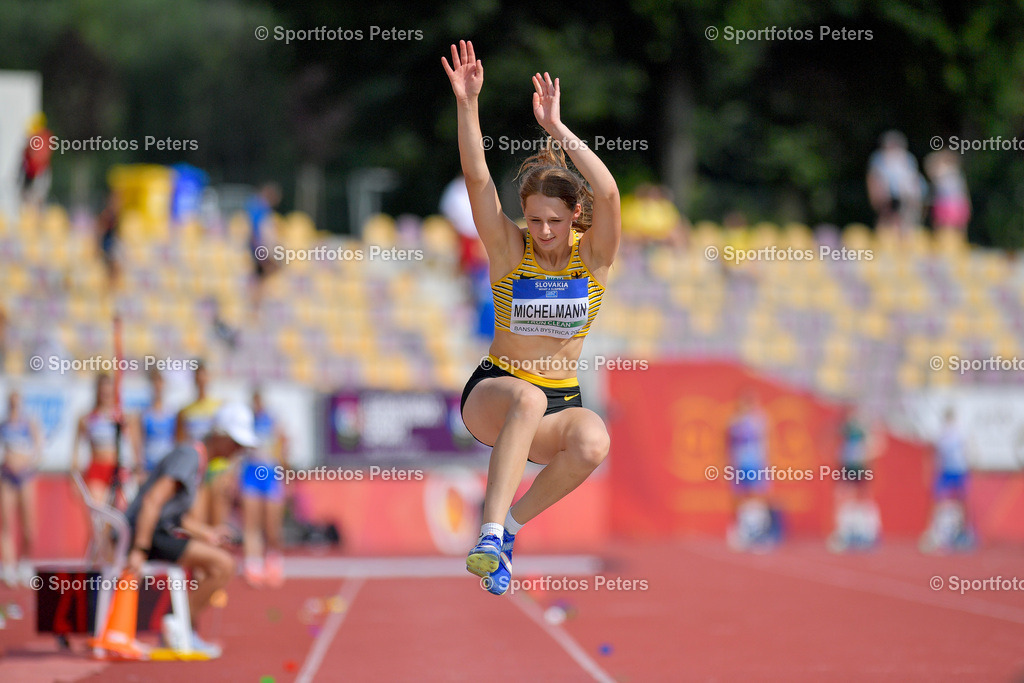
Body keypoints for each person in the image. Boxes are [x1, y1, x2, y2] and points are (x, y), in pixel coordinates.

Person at [442, 41, 619, 595]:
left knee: (593, 441)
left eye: (554, 221)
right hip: (495, 393)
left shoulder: (592, 258)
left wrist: (559, 129)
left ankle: (512, 530)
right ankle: (489, 533)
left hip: (558, 400)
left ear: (574, 217)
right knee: (527, 396)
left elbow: (610, 192)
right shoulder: (507, 250)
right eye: (534, 219)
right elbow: (477, 181)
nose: (542, 232)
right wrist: (468, 104)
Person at [126, 402, 258, 659]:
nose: (239, 451)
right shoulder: (190, 456)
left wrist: (207, 533)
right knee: (224, 565)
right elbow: (153, 501)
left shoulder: (198, 459)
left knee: (216, 563)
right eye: (236, 443)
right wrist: (139, 549)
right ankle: (178, 626)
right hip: (147, 533)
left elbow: (174, 513)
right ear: (219, 436)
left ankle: (179, 625)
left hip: (156, 531)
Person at [239, 390, 288, 587]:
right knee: (251, 522)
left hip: (269, 473)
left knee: (271, 523)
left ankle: (274, 558)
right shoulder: (247, 422)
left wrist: (285, 472)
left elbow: (283, 443)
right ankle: (253, 563)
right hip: (251, 473)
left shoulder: (272, 420)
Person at [72, 374, 139, 508]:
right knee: (98, 513)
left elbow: (135, 445)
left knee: (119, 512)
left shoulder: (123, 417)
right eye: (102, 389)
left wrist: (136, 469)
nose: (105, 393)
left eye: (108, 389)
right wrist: (74, 478)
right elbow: (76, 449)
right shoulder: (87, 418)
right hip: (97, 469)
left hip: (117, 469)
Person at [0, 391, 44, 587]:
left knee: (29, 526)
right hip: (6, 477)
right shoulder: (4, 425)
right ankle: (8, 566)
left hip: (25, 477)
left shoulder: (29, 423)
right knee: (6, 523)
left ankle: (25, 562)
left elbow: (38, 448)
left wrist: (28, 462)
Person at [827, 406, 881, 552]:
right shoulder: (847, 427)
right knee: (844, 497)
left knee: (862, 498)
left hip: (858, 466)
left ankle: (866, 532)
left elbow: (876, 446)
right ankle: (844, 533)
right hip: (848, 466)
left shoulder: (862, 429)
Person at [725, 391, 774, 551]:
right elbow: (728, 445)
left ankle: (758, 531)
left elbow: (766, 443)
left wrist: (767, 464)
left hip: (756, 462)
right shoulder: (734, 421)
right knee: (740, 497)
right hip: (740, 463)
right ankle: (743, 530)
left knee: (757, 496)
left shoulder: (760, 420)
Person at [920, 407, 974, 553]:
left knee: (960, 501)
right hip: (948, 471)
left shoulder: (957, 433)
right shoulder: (943, 434)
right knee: (940, 500)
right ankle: (935, 531)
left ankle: (963, 532)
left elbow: (968, 450)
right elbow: (936, 453)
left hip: (957, 470)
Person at [866, 130, 926, 235]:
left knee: (907, 221)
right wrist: (876, 195)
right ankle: (885, 240)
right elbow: (873, 178)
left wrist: (918, 196)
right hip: (887, 195)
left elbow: (913, 178)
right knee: (887, 218)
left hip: (906, 196)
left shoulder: (908, 158)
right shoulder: (879, 158)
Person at [136, 368, 178, 476]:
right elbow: (139, 442)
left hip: (167, 466)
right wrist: (140, 467)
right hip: (149, 467)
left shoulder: (172, 413)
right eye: (154, 381)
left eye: (160, 381)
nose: (157, 386)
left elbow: (176, 440)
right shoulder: (144, 414)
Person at [924, 150, 971, 236]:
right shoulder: (948, 171)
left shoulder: (953, 172)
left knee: (952, 225)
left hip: (952, 201)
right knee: (947, 225)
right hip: (947, 202)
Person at [19, 113, 53, 211]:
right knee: (29, 196)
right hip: (31, 173)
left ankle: (35, 215)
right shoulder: (36, 138)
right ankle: (30, 214)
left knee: (38, 196)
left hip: (39, 172)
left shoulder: (43, 137)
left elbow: (40, 156)